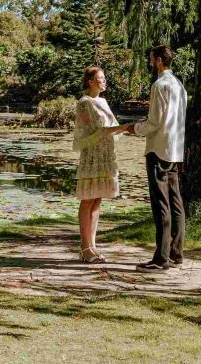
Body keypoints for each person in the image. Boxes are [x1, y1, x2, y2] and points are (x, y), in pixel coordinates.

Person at [127, 44, 187, 272]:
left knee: (161, 203)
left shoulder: (160, 85)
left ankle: (161, 258)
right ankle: (176, 253)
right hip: (175, 149)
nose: (151, 63)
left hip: (159, 149)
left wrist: (134, 128)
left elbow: (154, 122)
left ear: (160, 60)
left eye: (152, 59)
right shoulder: (179, 85)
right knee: (176, 201)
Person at [73, 65, 130, 262]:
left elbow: (112, 126)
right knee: (88, 199)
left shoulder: (103, 101)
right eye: (101, 78)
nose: (104, 81)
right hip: (92, 156)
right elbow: (96, 129)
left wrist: (131, 128)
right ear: (90, 81)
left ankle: (93, 245)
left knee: (97, 199)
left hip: (106, 155)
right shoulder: (84, 102)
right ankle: (84, 248)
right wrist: (119, 128)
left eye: (104, 78)